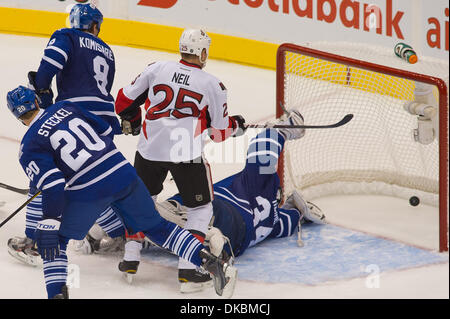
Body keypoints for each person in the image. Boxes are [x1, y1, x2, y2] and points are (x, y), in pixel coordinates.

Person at [5, 85, 237, 299]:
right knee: (158, 227)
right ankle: (211, 263)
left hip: (89, 191)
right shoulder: (64, 106)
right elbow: (106, 130)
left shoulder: (28, 148)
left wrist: (50, 220)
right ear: (37, 100)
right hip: (122, 173)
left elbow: (53, 183)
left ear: (16, 116)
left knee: (56, 242)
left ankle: (57, 294)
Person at [115, 109, 326, 293]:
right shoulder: (275, 223)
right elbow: (291, 220)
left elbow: (261, 153)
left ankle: (130, 229)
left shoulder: (259, 186)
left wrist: (279, 131)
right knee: (184, 207)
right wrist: (298, 211)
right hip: (236, 238)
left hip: (225, 215)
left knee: (183, 205)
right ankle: (187, 240)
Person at [114, 28, 247, 292]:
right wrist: (235, 125)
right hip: (184, 152)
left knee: (142, 201)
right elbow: (220, 133)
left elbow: (122, 101)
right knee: (200, 210)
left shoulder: (156, 68)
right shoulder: (213, 84)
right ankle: (188, 268)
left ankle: (130, 258)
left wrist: (134, 120)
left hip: (149, 149)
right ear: (203, 52)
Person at [7, 3, 126, 266]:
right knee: (91, 180)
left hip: (74, 114)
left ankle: (35, 241)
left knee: (43, 177)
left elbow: (50, 64)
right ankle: (119, 233)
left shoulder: (66, 36)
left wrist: (40, 89)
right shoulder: (107, 50)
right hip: (103, 117)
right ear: (95, 25)